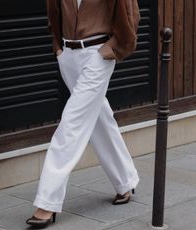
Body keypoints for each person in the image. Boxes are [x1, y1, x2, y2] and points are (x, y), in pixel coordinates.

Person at [26, 0, 141, 228]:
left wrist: (113, 48)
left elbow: (130, 15)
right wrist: (58, 47)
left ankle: (47, 202)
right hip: (68, 55)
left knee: (71, 124)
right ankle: (125, 181)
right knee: (100, 119)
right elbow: (54, 10)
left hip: (96, 56)